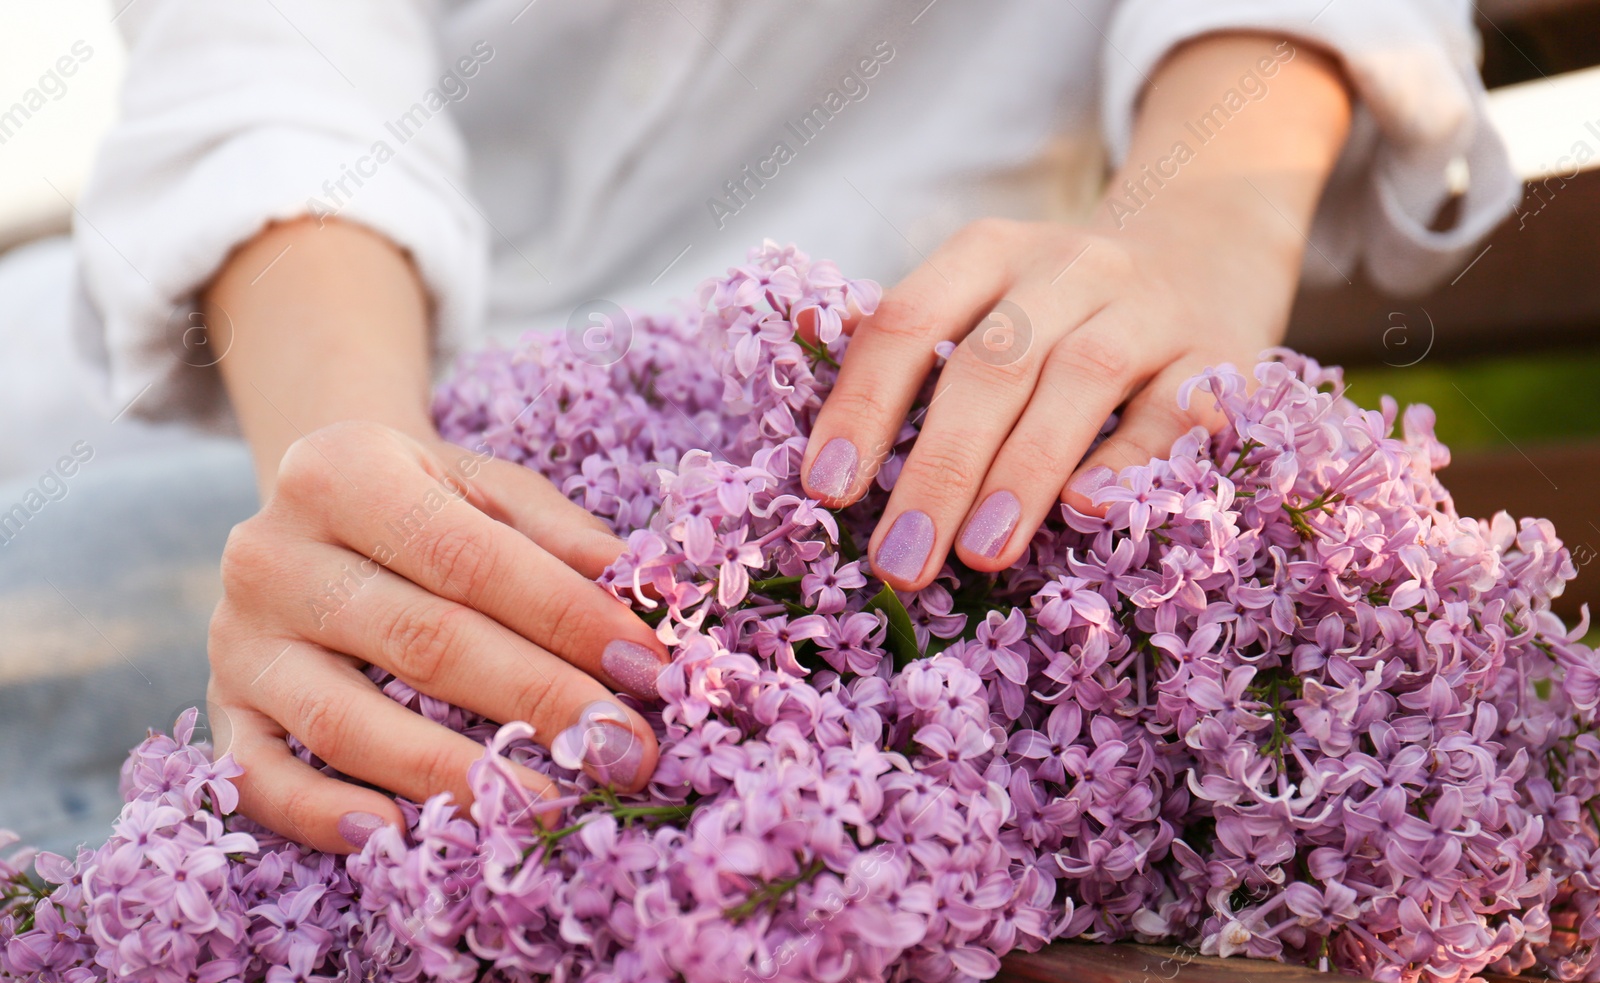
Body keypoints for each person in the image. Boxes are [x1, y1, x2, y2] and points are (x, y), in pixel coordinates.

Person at [70, 0, 1518, 855]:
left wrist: (1199, 234)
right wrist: (358, 493)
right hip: (308, 371)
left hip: (892, 396)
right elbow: (264, 52)